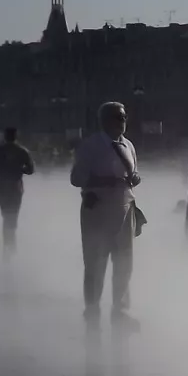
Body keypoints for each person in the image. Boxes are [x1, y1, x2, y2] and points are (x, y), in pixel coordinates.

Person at [70, 102, 141, 327]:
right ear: (106, 121)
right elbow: (76, 178)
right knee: (95, 261)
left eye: (124, 117)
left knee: (124, 262)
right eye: (119, 118)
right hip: (98, 210)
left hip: (124, 209)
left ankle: (120, 311)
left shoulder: (128, 145)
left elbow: (132, 173)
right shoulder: (91, 146)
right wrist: (105, 182)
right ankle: (92, 309)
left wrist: (134, 179)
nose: (123, 122)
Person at [0, 127, 35, 255]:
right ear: (16, 136)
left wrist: (0, 165)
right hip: (15, 186)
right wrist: (19, 169)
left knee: (6, 215)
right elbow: (30, 170)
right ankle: (10, 244)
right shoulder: (22, 151)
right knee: (12, 215)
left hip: (0, 186)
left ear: (4, 136)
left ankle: (8, 244)